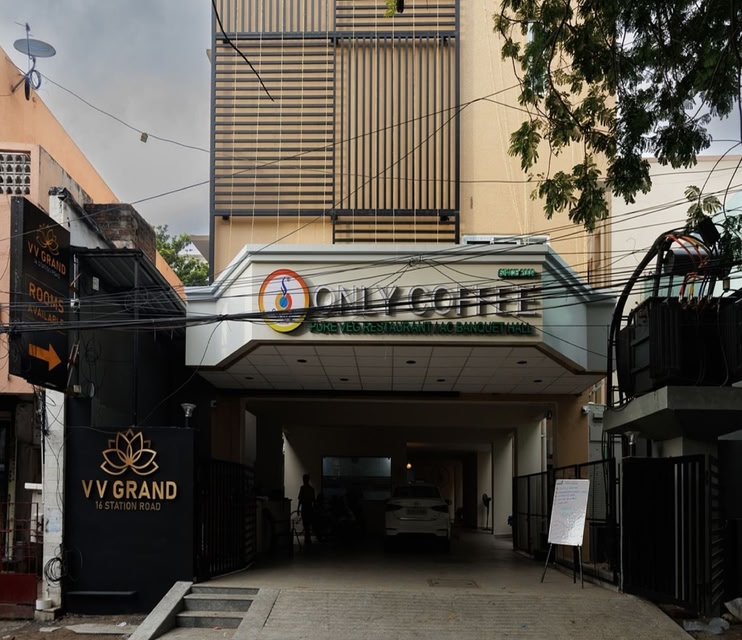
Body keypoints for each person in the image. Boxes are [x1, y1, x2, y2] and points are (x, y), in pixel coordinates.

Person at [297, 474, 316, 546]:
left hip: (304, 508)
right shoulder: (311, 489)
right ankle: (308, 538)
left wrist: (298, 508)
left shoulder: (302, 488)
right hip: (309, 508)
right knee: (308, 523)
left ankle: (307, 538)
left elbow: (300, 499)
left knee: (305, 524)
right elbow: (313, 500)